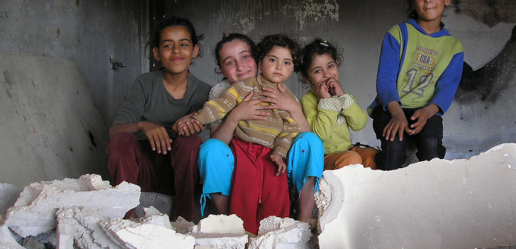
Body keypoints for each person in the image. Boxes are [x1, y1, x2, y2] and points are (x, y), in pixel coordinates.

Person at [192, 33, 322, 226]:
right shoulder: (228, 90)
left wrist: (292, 109)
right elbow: (218, 134)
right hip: (242, 153)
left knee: (310, 142)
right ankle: (231, 224)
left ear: (256, 58)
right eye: (230, 62)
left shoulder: (285, 94)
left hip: (277, 158)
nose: (241, 66)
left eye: (245, 57)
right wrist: (235, 115)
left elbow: (294, 130)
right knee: (211, 149)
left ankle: (301, 222)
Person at [106, 16, 211, 221]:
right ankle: (126, 218)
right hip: (140, 170)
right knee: (121, 140)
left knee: (190, 142)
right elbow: (114, 131)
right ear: (156, 53)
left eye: (184, 44)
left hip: (176, 174)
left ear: (195, 51)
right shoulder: (145, 83)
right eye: (167, 45)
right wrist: (143, 125)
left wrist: (188, 123)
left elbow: (199, 128)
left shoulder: (204, 92)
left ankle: (185, 220)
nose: (176, 51)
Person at [368, 0, 464, 171]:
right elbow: (385, 82)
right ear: (413, 3)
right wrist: (397, 114)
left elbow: (446, 90)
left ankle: (429, 197)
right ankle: (383, 191)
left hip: (426, 109)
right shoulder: (399, 34)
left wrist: (428, 112)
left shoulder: (454, 47)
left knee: (432, 149)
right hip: (391, 106)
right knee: (395, 149)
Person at [298, 39, 379, 170]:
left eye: (330, 66)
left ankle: (368, 190)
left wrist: (342, 97)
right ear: (307, 77)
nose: (327, 74)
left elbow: (359, 124)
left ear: (337, 65)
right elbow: (320, 135)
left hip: (348, 149)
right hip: (324, 156)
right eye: (318, 71)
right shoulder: (308, 100)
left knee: (373, 156)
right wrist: (325, 101)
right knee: (352, 159)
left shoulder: (344, 96)